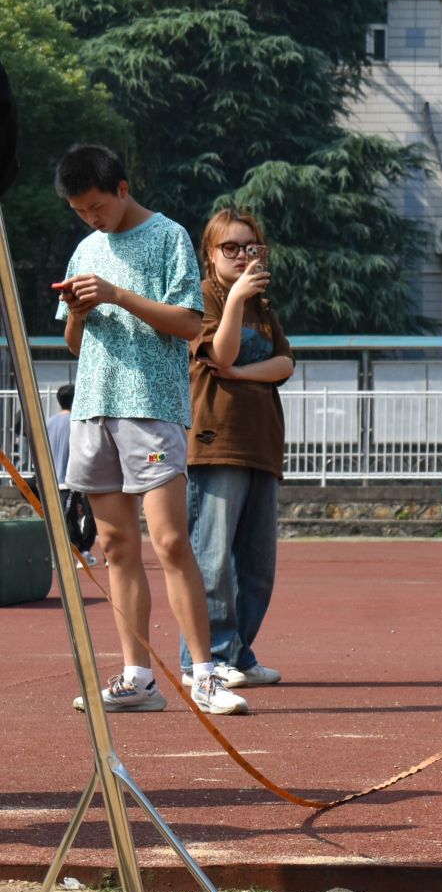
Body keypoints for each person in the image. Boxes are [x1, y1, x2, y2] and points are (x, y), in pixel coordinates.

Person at [52, 144, 248, 715]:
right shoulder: (85, 249)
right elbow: (74, 343)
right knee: (115, 546)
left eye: (96, 206)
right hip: (93, 406)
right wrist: (81, 311)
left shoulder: (168, 236)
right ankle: (137, 676)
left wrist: (116, 295)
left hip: (151, 406)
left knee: (170, 541)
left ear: (122, 188)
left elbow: (188, 323)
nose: (91, 218)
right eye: (79, 211)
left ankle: (204, 672)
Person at [180, 208, 294, 690]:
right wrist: (235, 301)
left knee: (258, 565)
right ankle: (205, 658)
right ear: (210, 254)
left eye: (251, 247)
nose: (242, 256)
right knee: (213, 559)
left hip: (261, 442)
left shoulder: (262, 306)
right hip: (215, 440)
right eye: (230, 247)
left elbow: (285, 364)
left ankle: (238, 652)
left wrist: (242, 373)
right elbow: (220, 352)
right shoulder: (200, 298)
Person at [49, 384, 99, 567]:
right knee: (71, 518)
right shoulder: (77, 423)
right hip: (70, 478)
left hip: (51, 479)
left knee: (67, 517)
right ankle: (79, 552)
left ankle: (78, 552)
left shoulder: (48, 422)